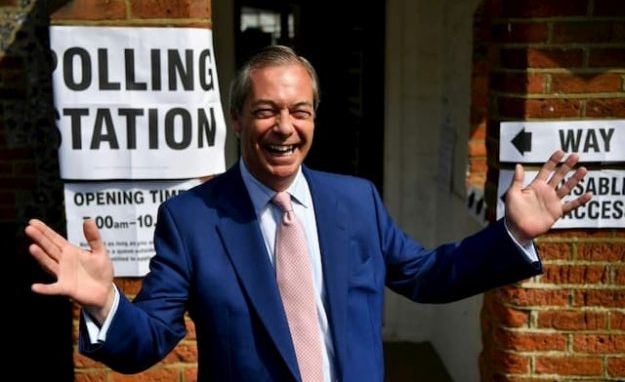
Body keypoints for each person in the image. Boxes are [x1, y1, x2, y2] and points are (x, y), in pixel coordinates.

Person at [25, 45, 592, 382]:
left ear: (315, 119)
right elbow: (148, 340)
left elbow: (425, 275)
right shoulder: (193, 220)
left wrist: (512, 231)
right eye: (266, 110)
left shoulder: (356, 200)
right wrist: (104, 302)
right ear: (238, 119)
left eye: (300, 110)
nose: (284, 126)